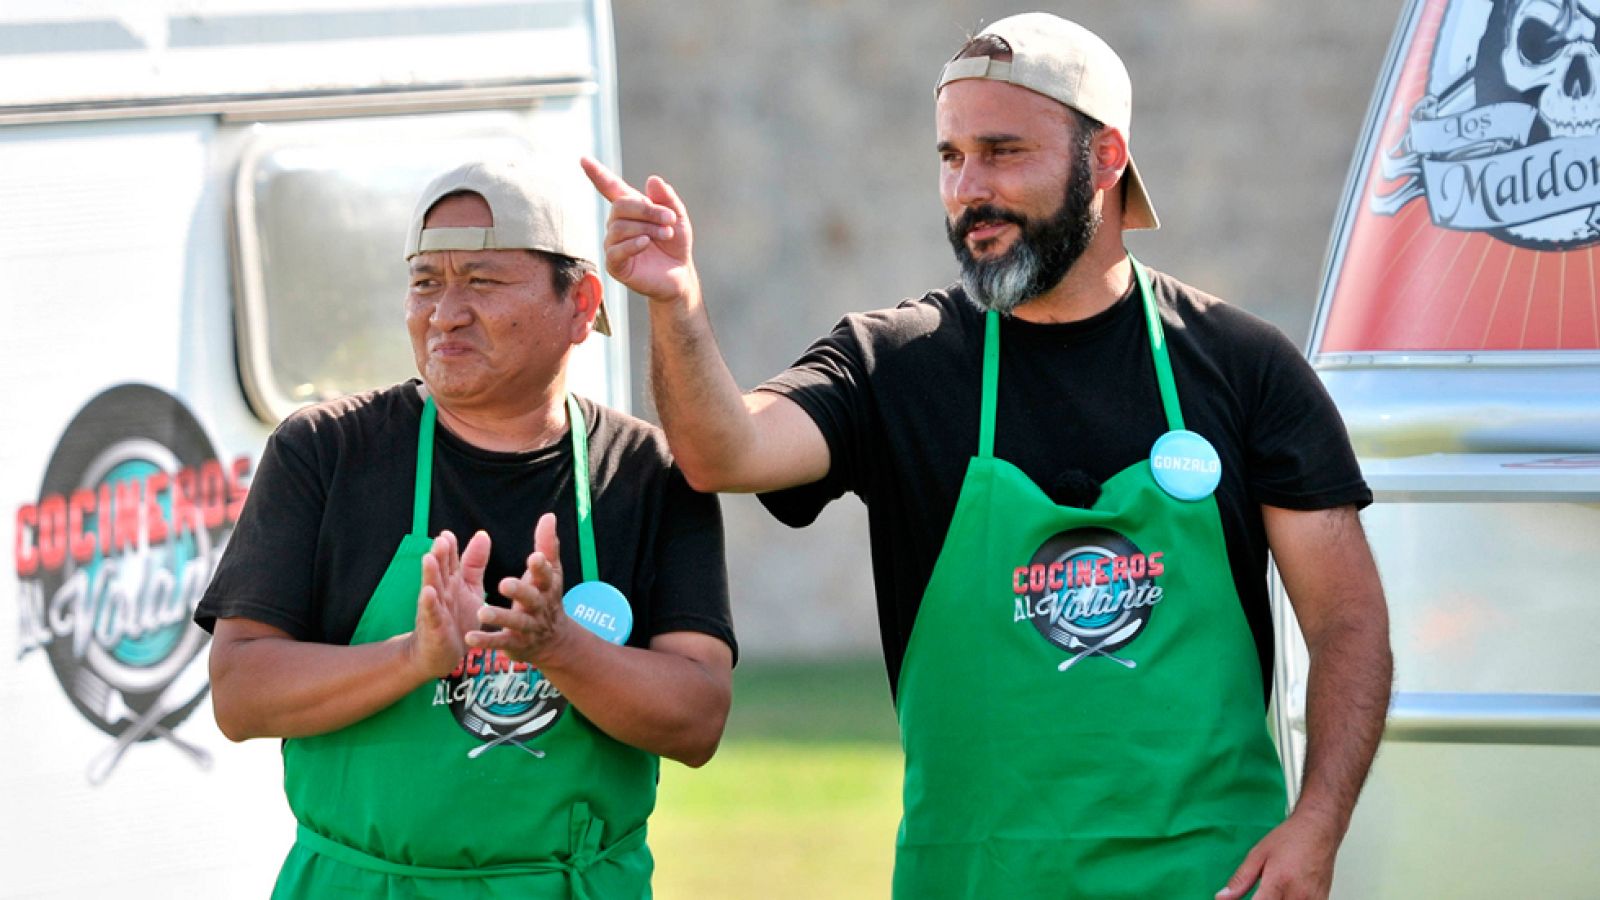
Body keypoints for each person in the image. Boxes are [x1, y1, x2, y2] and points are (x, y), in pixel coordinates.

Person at [584, 12, 1390, 900]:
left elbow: (1347, 623)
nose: (971, 188)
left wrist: (1318, 825)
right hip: (971, 878)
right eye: (951, 157)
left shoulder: (1243, 367)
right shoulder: (895, 363)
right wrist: (676, 302)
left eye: (1004, 152)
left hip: (1210, 877)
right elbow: (720, 451)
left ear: (1108, 156)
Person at [196, 157, 735, 899]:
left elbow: (697, 719)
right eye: (426, 281)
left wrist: (559, 647)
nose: (444, 311)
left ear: (580, 304)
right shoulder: (326, 451)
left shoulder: (644, 471)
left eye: (481, 282)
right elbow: (240, 691)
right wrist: (413, 656)